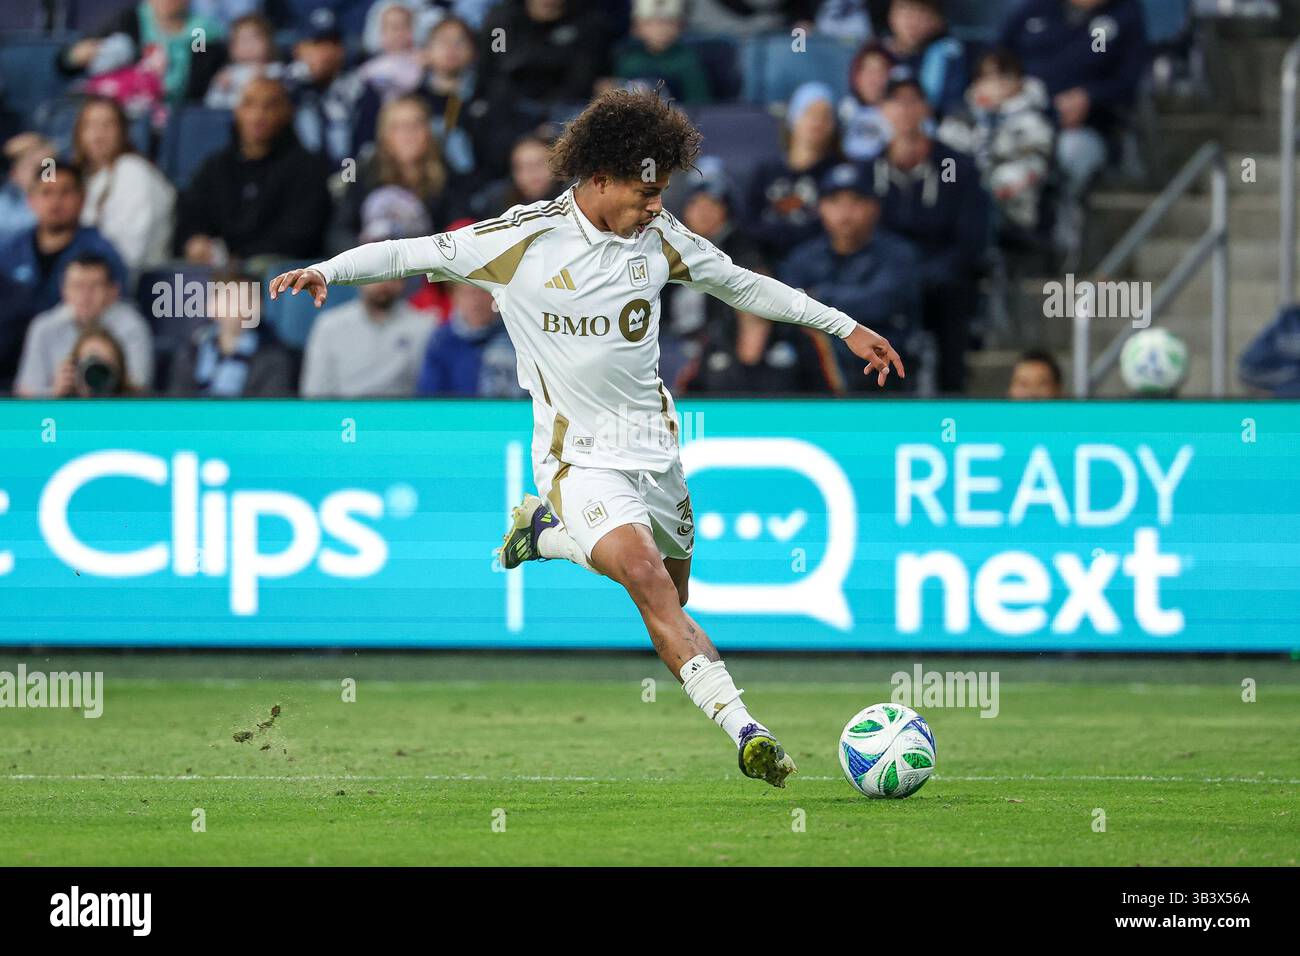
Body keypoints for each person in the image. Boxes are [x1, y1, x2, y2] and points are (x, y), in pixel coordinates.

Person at [271, 88, 904, 788]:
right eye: (646, 191)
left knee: (676, 595)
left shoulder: (660, 239)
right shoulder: (520, 241)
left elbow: (745, 287)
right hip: (576, 459)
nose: (657, 205)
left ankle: (544, 536)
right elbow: (408, 251)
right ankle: (747, 731)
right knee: (647, 583)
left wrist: (845, 327)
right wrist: (327, 270)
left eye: (663, 190)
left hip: (656, 453)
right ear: (599, 177)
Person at [872, 77, 990, 394]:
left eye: (913, 101)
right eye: (896, 102)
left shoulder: (957, 167)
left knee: (952, 300)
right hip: (887, 280)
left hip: (944, 280)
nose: (905, 110)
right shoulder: (868, 169)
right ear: (882, 111)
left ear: (926, 108)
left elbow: (972, 239)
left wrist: (924, 275)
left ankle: (951, 402)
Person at [782, 161, 921, 392]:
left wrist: (819, 298)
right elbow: (787, 313)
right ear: (821, 208)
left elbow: (880, 304)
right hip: (815, 381)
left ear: (874, 207)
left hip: (884, 379)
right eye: (835, 202)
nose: (845, 213)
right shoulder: (802, 258)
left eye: (856, 202)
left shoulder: (898, 254)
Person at [175, 77, 332, 266]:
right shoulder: (215, 166)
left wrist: (239, 259)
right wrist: (195, 240)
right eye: (249, 104)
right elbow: (192, 215)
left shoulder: (308, 168)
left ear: (288, 112)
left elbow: (300, 236)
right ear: (237, 111)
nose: (258, 115)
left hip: (278, 279)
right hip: (216, 273)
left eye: (270, 106)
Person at [0, 161, 128, 391]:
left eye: (65, 192)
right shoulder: (8, 250)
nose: (55, 202)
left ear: (82, 199)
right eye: (46, 193)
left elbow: (113, 315)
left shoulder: (102, 252)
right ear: (31, 200)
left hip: (77, 356)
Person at [936, 49, 1054, 241]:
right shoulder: (961, 116)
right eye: (987, 77)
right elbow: (945, 155)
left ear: (1020, 81)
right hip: (963, 197)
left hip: (1011, 202)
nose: (996, 84)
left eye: (1004, 76)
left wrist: (1007, 185)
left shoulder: (1033, 119)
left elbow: (1036, 160)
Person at [14, 253, 153, 397]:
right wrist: (56, 392)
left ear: (113, 291)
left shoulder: (132, 326)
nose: (85, 295)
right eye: (77, 286)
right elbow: (26, 393)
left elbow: (138, 389)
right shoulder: (43, 327)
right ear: (64, 290)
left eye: (94, 286)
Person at [72, 95, 176, 272]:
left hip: (127, 282)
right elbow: (47, 195)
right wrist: (46, 162)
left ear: (123, 132)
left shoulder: (133, 171)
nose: (98, 133)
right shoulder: (84, 175)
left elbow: (130, 252)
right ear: (79, 133)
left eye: (108, 125)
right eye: (90, 125)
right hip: (82, 278)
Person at [745, 81, 842, 268]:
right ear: (793, 118)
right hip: (765, 266)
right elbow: (748, 226)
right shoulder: (766, 171)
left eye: (825, 116)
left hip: (817, 266)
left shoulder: (838, 173)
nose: (818, 122)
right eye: (810, 113)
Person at [167, 270, 295, 397]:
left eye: (249, 299)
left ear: (261, 306)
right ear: (212, 304)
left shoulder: (273, 356)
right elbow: (179, 402)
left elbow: (269, 409)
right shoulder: (191, 351)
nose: (240, 307)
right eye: (230, 299)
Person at [416, 281, 525, 397]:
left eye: (484, 292)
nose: (477, 301)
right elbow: (429, 397)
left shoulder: (518, 336)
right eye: (468, 293)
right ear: (454, 297)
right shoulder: (440, 341)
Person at [613, 0, 713, 106]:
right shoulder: (628, 60)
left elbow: (700, 105)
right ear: (636, 27)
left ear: (680, 26)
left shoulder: (688, 60)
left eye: (668, 22)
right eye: (650, 23)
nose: (659, 29)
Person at [881, 0, 966, 118]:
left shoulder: (948, 52)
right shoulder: (877, 52)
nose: (911, 21)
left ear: (937, 19)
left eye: (921, 11)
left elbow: (949, 104)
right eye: (904, 10)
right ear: (891, 15)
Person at [51, 328, 141, 398]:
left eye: (104, 366)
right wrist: (57, 400)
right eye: (90, 361)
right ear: (74, 369)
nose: (95, 374)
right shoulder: (65, 408)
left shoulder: (136, 409)